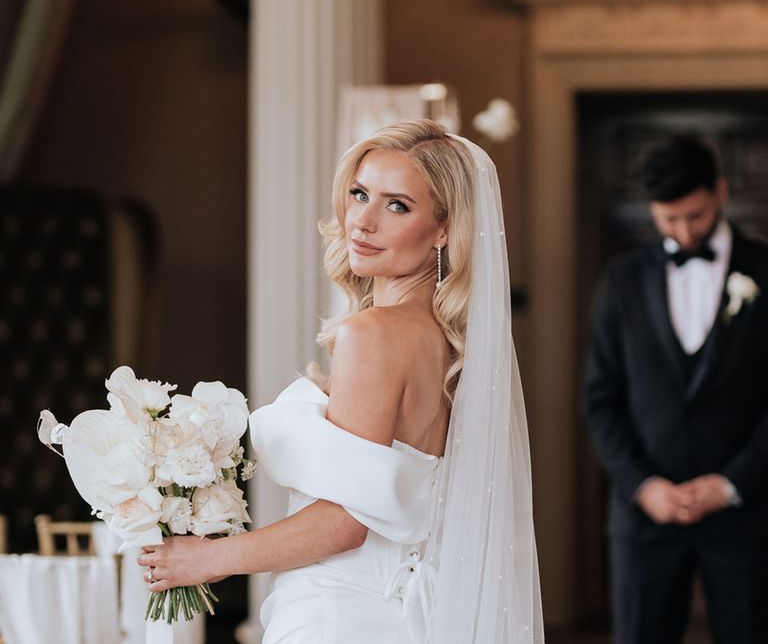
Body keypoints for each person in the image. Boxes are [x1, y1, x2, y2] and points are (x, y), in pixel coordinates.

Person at [138, 119, 543, 643]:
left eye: (397, 205)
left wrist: (208, 558)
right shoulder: (443, 342)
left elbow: (344, 524)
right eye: (359, 194)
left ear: (444, 229)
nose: (363, 221)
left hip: (340, 613)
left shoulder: (372, 335)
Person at [584, 135, 768, 644]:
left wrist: (730, 484)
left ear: (722, 193)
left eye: (697, 216)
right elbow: (600, 399)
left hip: (745, 513)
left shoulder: (764, 270)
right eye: (670, 219)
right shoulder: (622, 280)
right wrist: (644, 486)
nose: (685, 232)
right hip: (645, 517)